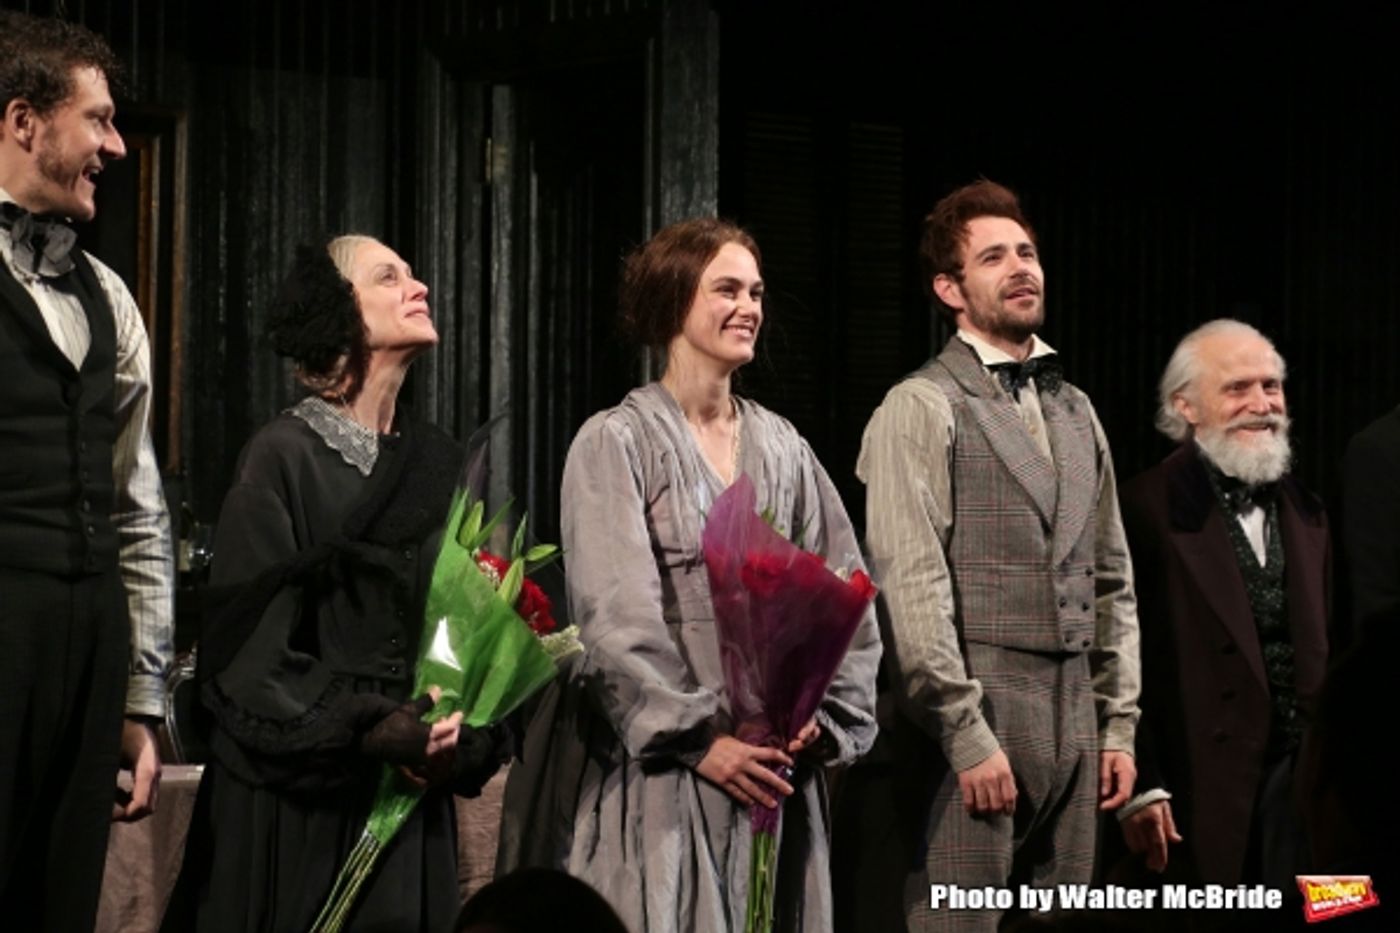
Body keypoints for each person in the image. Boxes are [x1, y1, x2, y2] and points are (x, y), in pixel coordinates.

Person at [167, 236, 509, 932]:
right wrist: (375, 729)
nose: (417, 287)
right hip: (305, 799)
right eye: (389, 277)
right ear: (337, 313)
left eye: (414, 275)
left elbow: (469, 623)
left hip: (409, 799)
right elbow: (247, 650)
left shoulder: (436, 459)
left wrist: (455, 731)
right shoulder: (282, 455)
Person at [558, 217, 881, 932]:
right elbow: (614, 617)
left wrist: (823, 724)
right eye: (727, 289)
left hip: (776, 781)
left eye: (757, 291)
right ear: (675, 302)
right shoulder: (616, 441)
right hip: (670, 784)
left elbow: (848, 591)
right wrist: (700, 741)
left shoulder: (784, 448)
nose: (750, 307)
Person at [835, 180, 1140, 932]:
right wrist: (965, 731)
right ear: (950, 288)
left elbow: (1112, 580)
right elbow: (912, 585)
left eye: (1027, 252)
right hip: (977, 723)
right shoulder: (922, 404)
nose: (1020, 267)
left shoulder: (1076, 407)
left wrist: (1118, 725)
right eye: (994, 255)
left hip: (1075, 722)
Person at [0, 12, 173, 931]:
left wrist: (140, 695)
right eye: (98, 120)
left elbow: (136, 505)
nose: (116, 144)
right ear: (24, 121)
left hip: (88, 639)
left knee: (57, 902)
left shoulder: (109, 294)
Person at [1116, 320, 1328, 890]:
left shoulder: (1309, 511)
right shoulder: (1142, 509)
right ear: (1184, 405)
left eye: (1271, 386)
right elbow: (1113, 657)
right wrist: (1140, 784)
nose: (1262, 404)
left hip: (1303, 796)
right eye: (1238, 388)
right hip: (1198, 791)